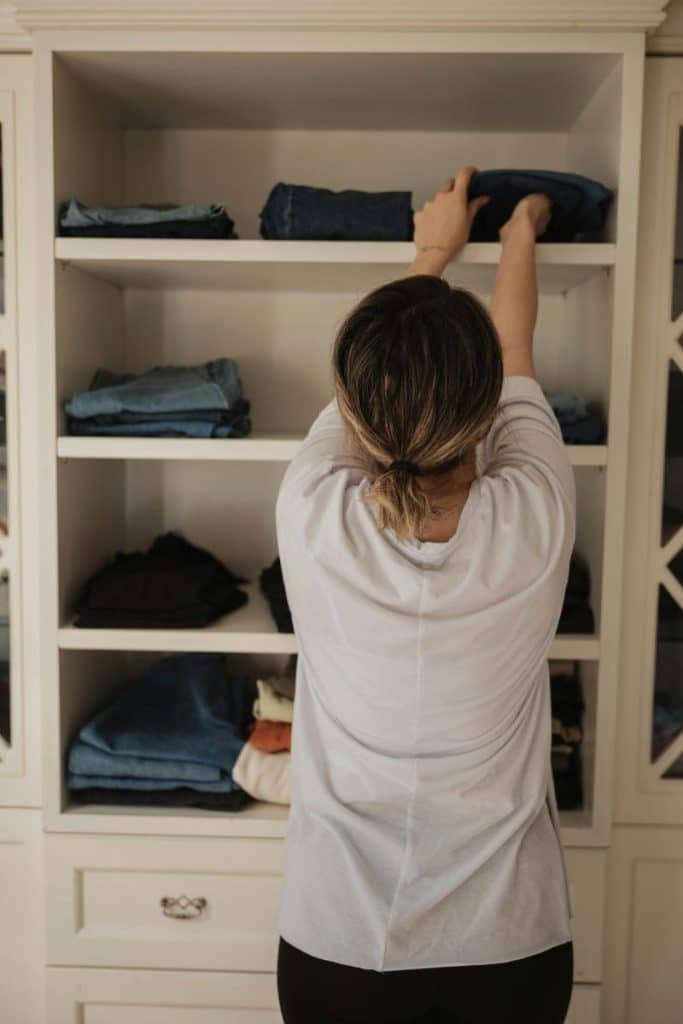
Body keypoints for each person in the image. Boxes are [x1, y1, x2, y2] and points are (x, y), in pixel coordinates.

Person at [274, 166, 575, 1023]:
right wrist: (519, 232)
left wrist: (430, 251)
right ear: (483, 415)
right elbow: (515, 350)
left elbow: (378, 379)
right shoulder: (536, 510)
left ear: (355, 410)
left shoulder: (309, 509)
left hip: (337, 945)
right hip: (506, 951)